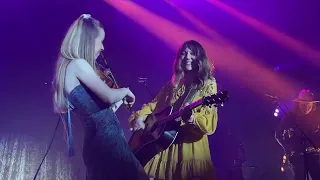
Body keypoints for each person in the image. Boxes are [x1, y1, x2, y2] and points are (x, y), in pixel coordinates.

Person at [53, 14, 149, 180]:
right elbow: (109, 96)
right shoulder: (78, 64)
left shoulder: (68, 68)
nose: (103, 47)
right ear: (88, 41)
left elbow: (98, 111)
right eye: (100, 40)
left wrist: (116, 103)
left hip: (99, 143)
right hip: (108, 143)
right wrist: (125, 91)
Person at [129, 40, 218, 180]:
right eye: (184, 53)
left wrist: (192, 119)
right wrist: (140, 117)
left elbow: (209, 120)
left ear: (200, 58)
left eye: (192, 54)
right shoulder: (175, 83)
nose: (187, 57)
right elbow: (154, 104)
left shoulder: (207, 84)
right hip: (167, 145)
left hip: (190, 148)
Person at [275, 89, 320, 180]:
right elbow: (278, 134)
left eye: (308, 104)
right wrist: (288, 149)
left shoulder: (317, 117)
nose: (306, 107)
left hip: (314, 154)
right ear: (298, 103)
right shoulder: (290, 117)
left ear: (313, 104)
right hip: (297, 155)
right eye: (303, 104)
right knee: (300, 177)